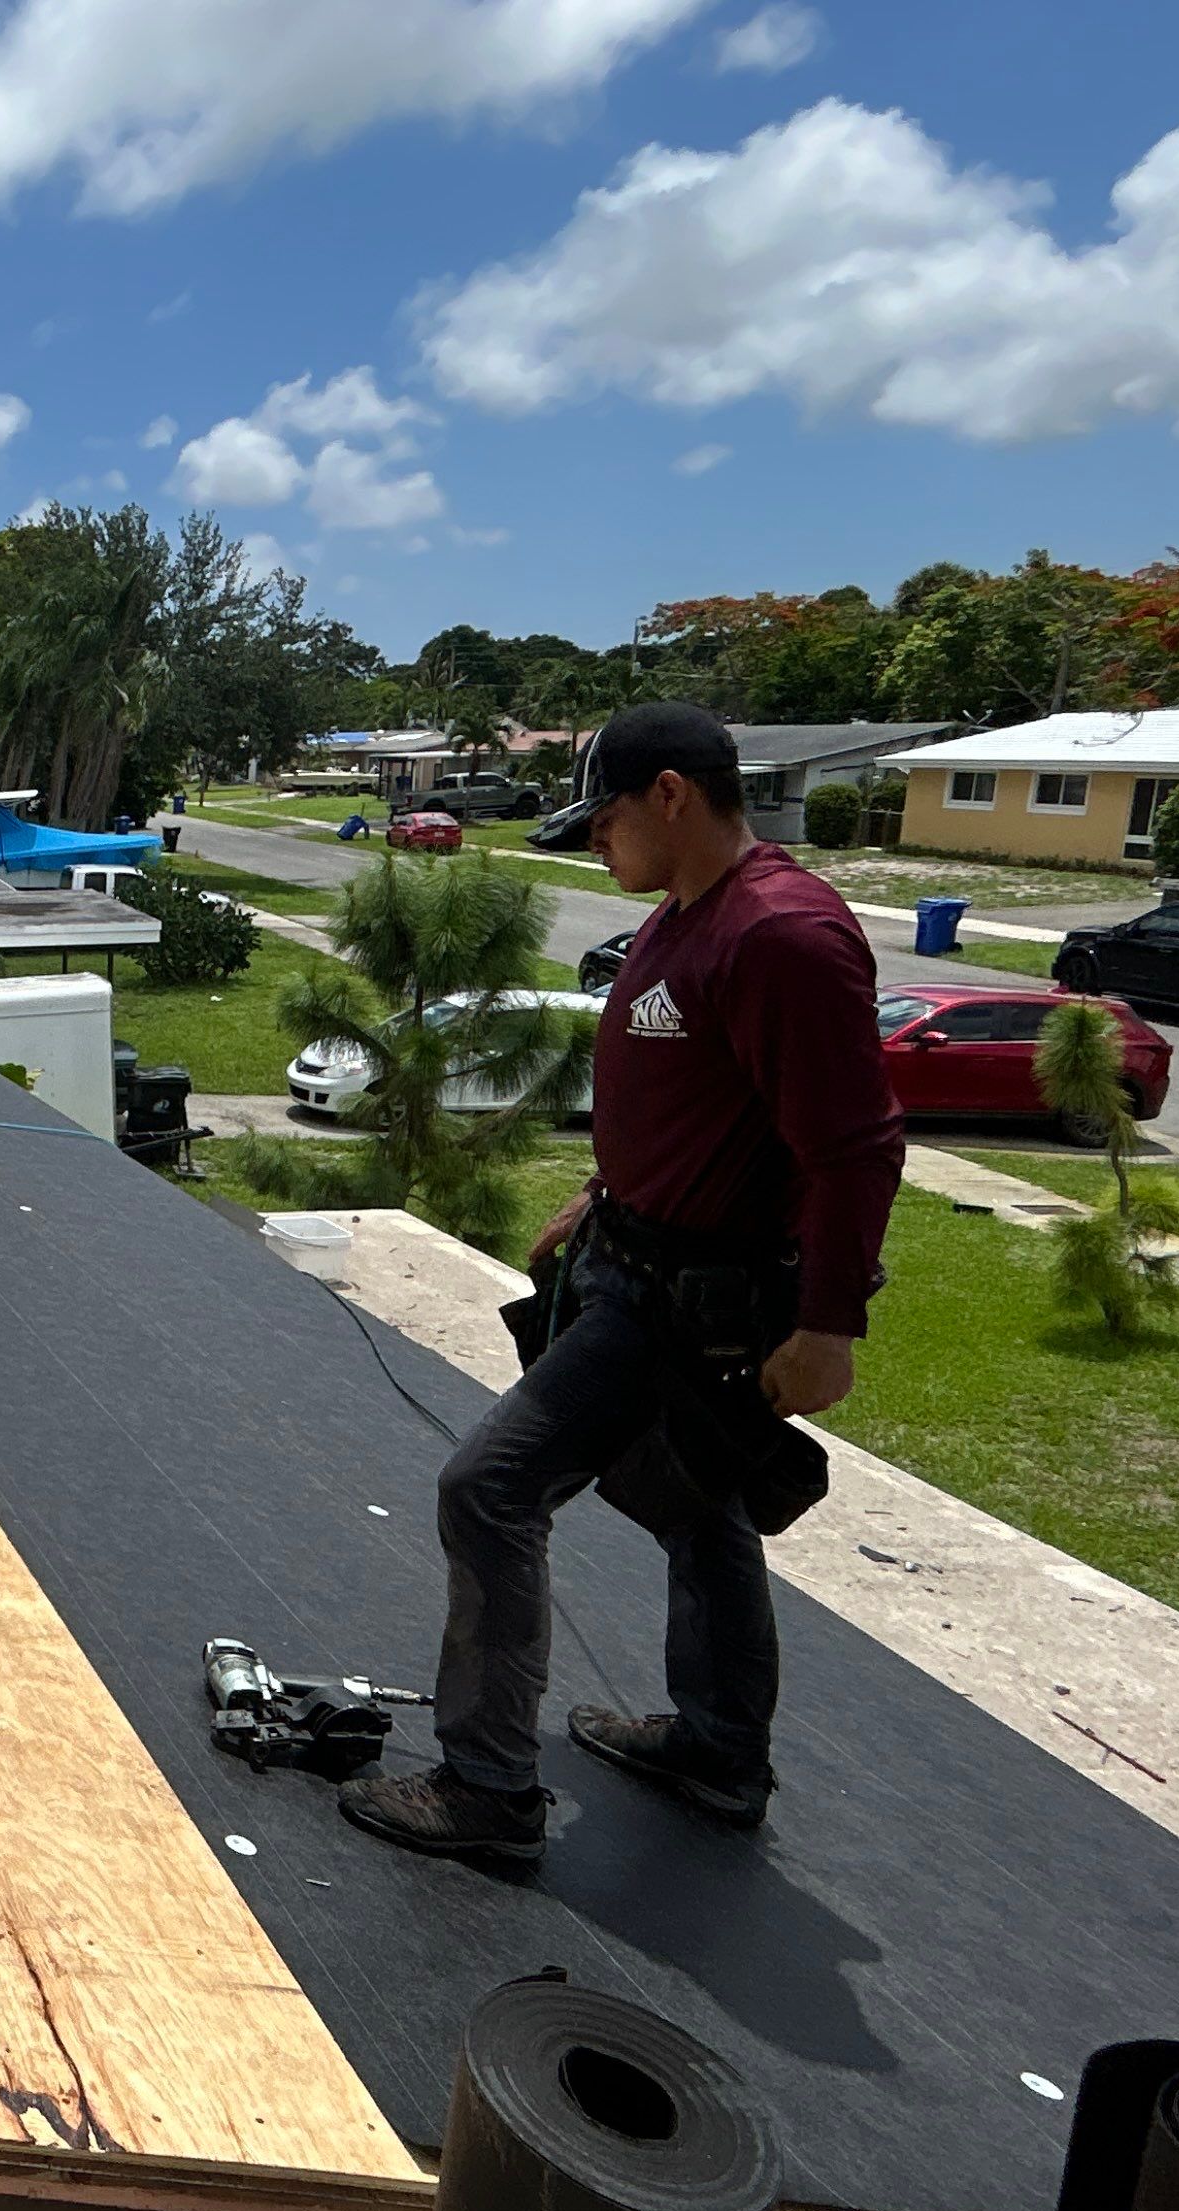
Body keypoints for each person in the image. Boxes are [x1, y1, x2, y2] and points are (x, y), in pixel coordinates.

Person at [338, 702, 903, 1864]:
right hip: (633, 1255)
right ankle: (719, 1750)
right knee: (701, 1506)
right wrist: (603, 1192)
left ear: (672, 795)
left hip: (686, 1299)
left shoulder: (783, 936)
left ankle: (490, 1789)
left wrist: (827, 1327)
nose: (596, 841)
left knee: (488, 1490)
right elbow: (698, 1097)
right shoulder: (685, 914)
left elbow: (855, 1149)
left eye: (605, 819)